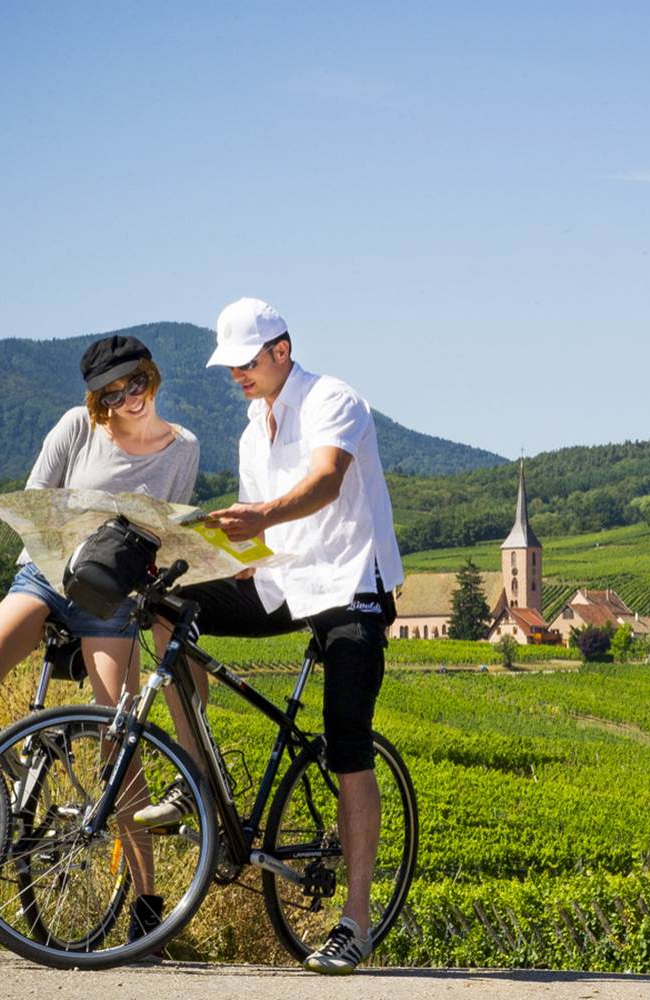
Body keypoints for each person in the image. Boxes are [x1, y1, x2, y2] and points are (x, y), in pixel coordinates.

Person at [137, 297, 402, 975]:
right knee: (164, 604)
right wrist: (187, 553)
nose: (236, 377)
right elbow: (259, 540)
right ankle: (197, 776)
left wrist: (258, 514)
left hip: (350, 588)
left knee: (347, 745)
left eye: (246, 363)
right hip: (283, 584)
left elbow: (323, 483)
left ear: (282, 350)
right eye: (229, 367)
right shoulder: (254, 431)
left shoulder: (333, 399)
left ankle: (356, 920)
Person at [0, 334, 199, 946]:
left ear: (152, 376)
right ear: (97, 399)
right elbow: (32, 504)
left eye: (137, 382)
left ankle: (147, 901)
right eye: (114, 391)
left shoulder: (182, 447)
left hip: (111, 597)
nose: (130, 396)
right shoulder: (77, 427)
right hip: (47, 574)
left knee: (118, 735)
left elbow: (166, 530)